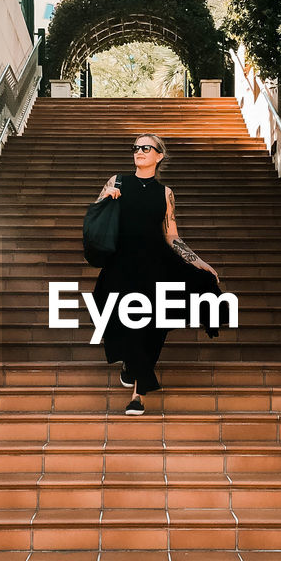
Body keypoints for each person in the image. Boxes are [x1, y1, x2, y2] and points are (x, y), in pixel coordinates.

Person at [92, 132, 220, 415]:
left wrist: (197, 261)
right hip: (121, 263)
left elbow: (171, 236)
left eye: (146, 148)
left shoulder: (165, 194)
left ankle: (138, 394)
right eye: (135, 147)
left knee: (151, 324)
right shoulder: (117, 181)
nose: (139, 151)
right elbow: (95, 215)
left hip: (154, 264)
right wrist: (106, 198)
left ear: (159, 155)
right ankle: (128, 360)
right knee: (110, 311)